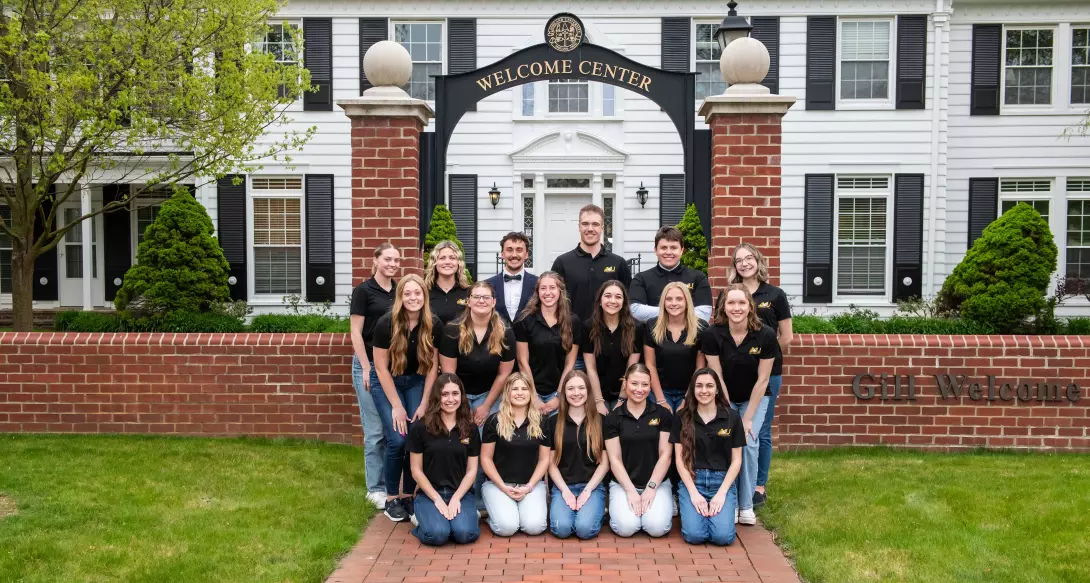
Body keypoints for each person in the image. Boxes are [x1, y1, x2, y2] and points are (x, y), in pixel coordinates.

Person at [702, 284, 777, 527]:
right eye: (731, 303)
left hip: (755, 397)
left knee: (749, 441)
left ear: (750, 306)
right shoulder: (712, 335)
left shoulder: (765, 335)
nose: (736, 308)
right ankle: (730, 502)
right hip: (725, 397)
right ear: (723, 307)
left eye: (741, 303)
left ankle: (745, 505)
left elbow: (763, 379)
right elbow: (716, 375)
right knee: (727, 442)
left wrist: (745, 420)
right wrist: (730, 414)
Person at [371, 273, 442, 523]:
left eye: (418, 293)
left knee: (415, 435)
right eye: (408, 293)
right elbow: (380, 368)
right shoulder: (385, 323)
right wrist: (397, 406)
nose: (413, 298)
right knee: (397, 440)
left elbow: (433, 366)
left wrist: (424, 403)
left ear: (424, 296)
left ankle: (410, 495)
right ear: (400, 296)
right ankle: (392, 497)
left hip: (416, 382)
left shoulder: (433, 323)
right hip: (387, 381)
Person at [727, 243, 793, 508]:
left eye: (749, 258)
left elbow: (786, 336)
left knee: (760, 430)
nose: (744, 263)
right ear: (734, 267)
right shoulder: (729, 294)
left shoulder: (775, 295)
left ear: (758, 261)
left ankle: (758, 485)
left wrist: (763, 355)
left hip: (769, 372)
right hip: (734, 372)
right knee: (734, 427)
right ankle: (734, 483)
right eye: (738, 260)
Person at [349, 243, 400, 508]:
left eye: (396, 260)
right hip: (368, 366)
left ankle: (391, 482)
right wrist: (366, 366)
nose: (393, 264)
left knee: (394, 428)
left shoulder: (398, 291)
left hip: (393, 367)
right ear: (376, 260)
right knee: (375, 430)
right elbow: (356, 332)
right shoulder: (363, 291)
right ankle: (375, 487)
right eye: (388, 259)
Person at [672, 368, 745, 546]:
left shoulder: (732, 418)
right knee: (694, 536)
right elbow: (679, 460)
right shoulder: (681, 417)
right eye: (699, 386)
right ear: (693, 389)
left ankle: (717, 515)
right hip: (693, 480)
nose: (704, 390)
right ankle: (698, 514)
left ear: (717, 389)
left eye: (709, 386)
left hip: (721, 482)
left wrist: (722, 493)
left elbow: (737, 461)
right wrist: (693, 493)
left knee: (723, 537)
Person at [407, 373, 481, 546]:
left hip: (461, 493)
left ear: (461, 397)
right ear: (436, 396)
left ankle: (466, 517)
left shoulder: (470, 429)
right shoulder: (421, 428)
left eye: (455, 394)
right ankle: (420, 521)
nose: (450, 399)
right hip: (429, 494)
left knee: (464, 534)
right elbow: (416, 470)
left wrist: (455, 498)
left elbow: (472, 470)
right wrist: (437, 500)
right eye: (445, 394)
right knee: (438, 535)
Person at [603, 363, 673, 538]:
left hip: (656, 483)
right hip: (623, 484)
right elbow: (615, 459)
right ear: (625, 384)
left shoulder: (663, 415)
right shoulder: (613, 418)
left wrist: (651, 488)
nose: (639, 389)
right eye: (634, 384)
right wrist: (630, 491)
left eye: (644, 384)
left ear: (651, 386)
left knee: (657, 529)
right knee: (626, 528)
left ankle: (657, 507)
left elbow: (666, 455)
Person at [479, 372, 550, 536]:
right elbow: (486, 458)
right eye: (515, 389)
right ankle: (497, 515)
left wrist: (529, 486)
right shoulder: (494, 421)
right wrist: (503, 487)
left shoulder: (541, 421)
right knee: (506, 528)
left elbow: (544, 459)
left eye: (524, 389)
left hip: (530, 485)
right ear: (507, 393)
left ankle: (515, 511)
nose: (519, 393)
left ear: (531, 392)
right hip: (498, 484)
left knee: (535, 527)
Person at [545, 370, 610, 540]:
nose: (576, 393)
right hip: (563, 486)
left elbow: (604, 463)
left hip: (592, 486)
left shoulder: (601, 421)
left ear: (588, 391)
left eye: (581, 388)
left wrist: (588, 490)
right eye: (570, 388)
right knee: (562, 529)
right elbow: (550, 463)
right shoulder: (553, 422)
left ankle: (595, 509)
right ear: (564, 393)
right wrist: (565, 491)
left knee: (585, 530)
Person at [514, 272, 582, 416]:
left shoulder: (573, 321)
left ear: (560, 291)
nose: (548, 292)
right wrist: (533, 396)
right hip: (530, 390)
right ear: (537, 292)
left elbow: (570, 363)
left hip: (559, 390)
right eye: (543, 288)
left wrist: (558, 395)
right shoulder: (525, 320)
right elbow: (522, 361)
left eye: (552, 287)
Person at [551, 204, 631, 322]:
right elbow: (553, 301)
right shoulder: (562, 263)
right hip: (572, 334)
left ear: (602, 228)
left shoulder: (618, 263)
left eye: (595, 224)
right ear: (579, 227)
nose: (590, 229)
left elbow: (627, 302)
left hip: (608, 335)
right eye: (585, 224)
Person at [644, 282, 707, 412]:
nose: (674, 303)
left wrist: (687, 399)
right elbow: (650, 365)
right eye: (669, 299)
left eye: (679, 299)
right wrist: (661, 399)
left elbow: (700, 367)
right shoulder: (651, 326)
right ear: (663, 302)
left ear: (687, 301)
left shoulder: (700, 327)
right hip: (659, 391)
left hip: (690, 391)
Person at [629, 226, 713, 322]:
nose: (668, 252)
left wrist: (671, 313)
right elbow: (635, 310)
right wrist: (675, 312)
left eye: (673, 248)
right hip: (651, 336)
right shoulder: (641, 278)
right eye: (664, 248)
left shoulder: (698, 277)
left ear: (681, 250)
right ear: (656, 250)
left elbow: (704, 314)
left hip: (688, 336)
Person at [583, 280, 642, 414]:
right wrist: (598, 401)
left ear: (624, 302)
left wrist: (622, 400)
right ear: (600, 300)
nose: (613, 301)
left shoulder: (636, 328)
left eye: (618, 297)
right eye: (608, 296)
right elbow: (590, 367)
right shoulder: (588, 327)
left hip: (626, 394)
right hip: (596, 394)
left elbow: (631, 368)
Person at [486, 232, 538, 326]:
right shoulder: (488, 285)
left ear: (526, 255)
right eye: (509, 250)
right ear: (502, 254)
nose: (514, 255)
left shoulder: (538, 284)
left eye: (519, 250)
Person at [425, 240, 471, 325]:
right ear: (434, 262)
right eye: (442, 258)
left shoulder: (469, 292)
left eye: (452, 258)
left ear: (459, 263)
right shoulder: (425, 292)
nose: (447, 262)